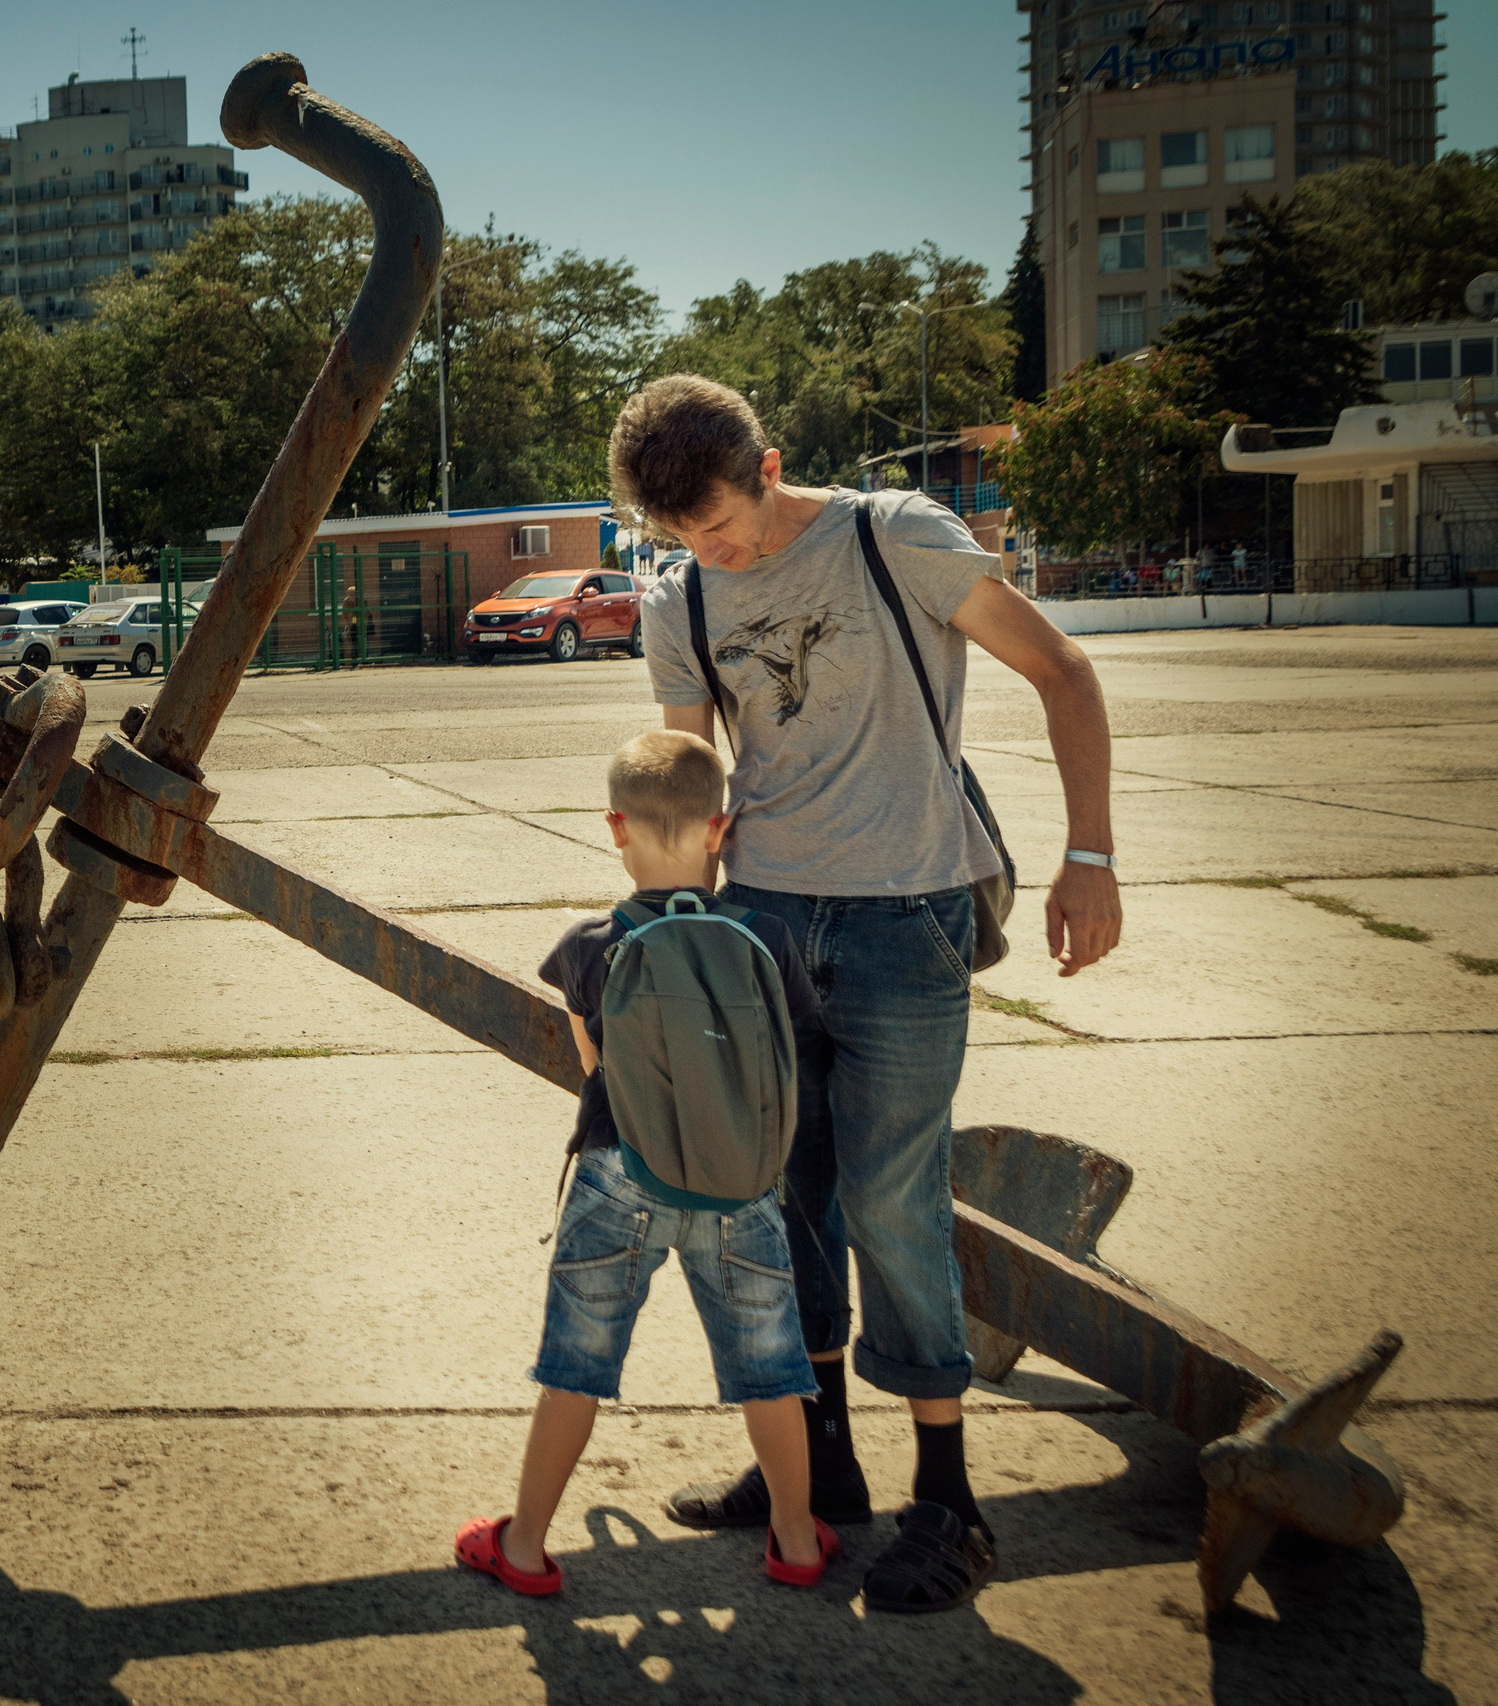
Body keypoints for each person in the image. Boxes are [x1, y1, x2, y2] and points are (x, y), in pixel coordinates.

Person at [609, 376, 1122, 1615]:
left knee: (894, 1197)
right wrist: (667, 915)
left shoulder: (896, 534)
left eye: (721, 527)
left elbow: (1061, 669)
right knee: (783, 1196)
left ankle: (948, 1503)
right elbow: (692, 768)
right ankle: (819, 1464)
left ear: (770, 463)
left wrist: (1090, 854)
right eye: (682, 537)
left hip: (908, 914)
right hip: (766, 921)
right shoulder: (680, 595)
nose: (710, 553)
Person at [456, 730, 838, 1597]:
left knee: (575, 1369)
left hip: (618, 1171)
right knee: (769, 1371)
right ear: (721, 830)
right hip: (742, 1183)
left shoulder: (588, 945)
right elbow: (790, 1058)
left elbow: (597, 1067)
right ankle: (797, 1540)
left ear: (615, 826)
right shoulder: (769, 937)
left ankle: (521, 1546)